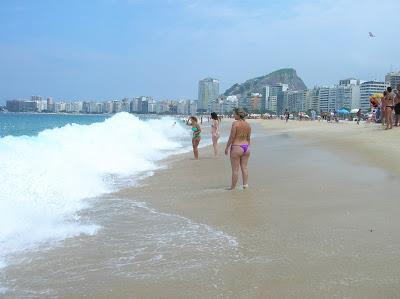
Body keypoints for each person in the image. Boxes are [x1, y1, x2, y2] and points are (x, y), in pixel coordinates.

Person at [225, 108, 251, 190]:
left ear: (238, 115)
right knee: (244, 167)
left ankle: (233, 187)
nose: (233, 115)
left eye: (234, 114)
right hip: (246, 147)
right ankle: (245, 185)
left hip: (237, 146)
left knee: (235, 169)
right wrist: (248, 146)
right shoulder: (248, 125)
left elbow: (232, 137)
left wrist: (227, 147)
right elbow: (248, 138)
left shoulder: (235, 124)